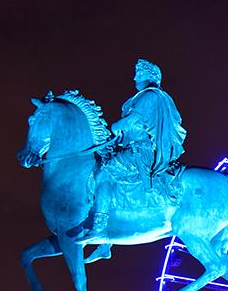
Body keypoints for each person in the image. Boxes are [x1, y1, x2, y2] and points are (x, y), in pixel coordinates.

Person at [76, 58, 187, 243]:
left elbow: (132, 120)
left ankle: (100, 228)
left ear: (150, 76)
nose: (135, 78)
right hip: (135, 147)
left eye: (139, 73)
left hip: (142, 151)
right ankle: (105, 245)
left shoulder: (150, 95)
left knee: (104, 173)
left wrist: (116, 125)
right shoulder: (146, 96)